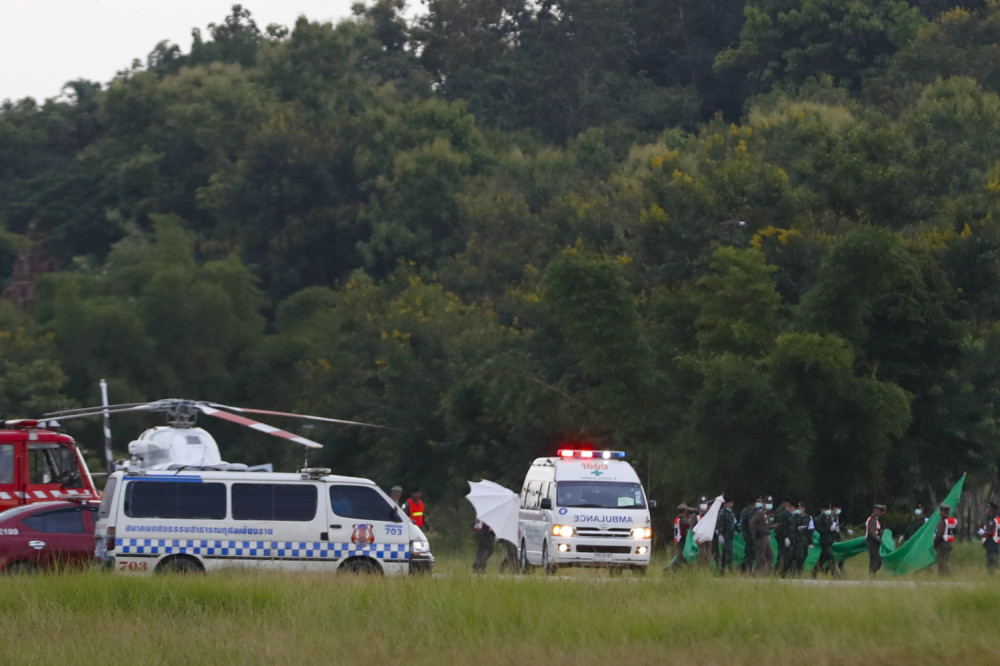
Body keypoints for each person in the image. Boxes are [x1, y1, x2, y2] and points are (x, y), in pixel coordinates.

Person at [750, 495, 774, 575]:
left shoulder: (767, 513)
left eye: (770, 503)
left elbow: (766, 525)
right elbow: (752, 522)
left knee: (770, 555)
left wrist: (772, 527)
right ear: (764, 504)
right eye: (768, 503)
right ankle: (757, 572)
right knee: (760, 555)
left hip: (766, 536)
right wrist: (755, 534)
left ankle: (765, 571)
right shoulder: (760, 512)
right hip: (760, 536)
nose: (769, 505)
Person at [773, 498, 795, 577]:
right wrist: (785, 537)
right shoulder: (784, 515)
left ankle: (784, 572)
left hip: (791, 538)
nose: (793, 509)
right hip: (784, 538)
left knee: (789, 556)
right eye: (792, 507)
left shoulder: (791, 515)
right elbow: (782, 527)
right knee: (783, 556)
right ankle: (780, 573)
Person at [934, 504, 957, 575]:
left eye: (941, 511)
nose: (940, 512)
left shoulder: (942, 521)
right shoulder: (953, 520)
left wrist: (935, 543)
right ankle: (947, 575)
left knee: (941, 562)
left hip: (942, 544)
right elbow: (956, 531)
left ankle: (945, 575)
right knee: (945, 560)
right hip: (950, 543)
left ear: (943, 511)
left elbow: (939, 534)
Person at [813, 503, 836, 577]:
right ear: (822, 510)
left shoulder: (830, 518)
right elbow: (819, 530)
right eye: (826, 509)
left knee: (822, 558)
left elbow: (833, 529)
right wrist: (829, 529)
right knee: (831, 556)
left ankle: (814, 572)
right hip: (824, 541)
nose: (828, 511)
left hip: (830, 541)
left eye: (829, 509)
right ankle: (834, 573)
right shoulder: (818, 519)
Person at [716, 497, 736, 574]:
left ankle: (722, 570)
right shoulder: (722, 513)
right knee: (728, 553)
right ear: (725, 504)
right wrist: (720, 534)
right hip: (725, 536)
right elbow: (720, 524)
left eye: (732, 503)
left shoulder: (731, 513)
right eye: (730, 503)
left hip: (730, 536)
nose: (731, 505)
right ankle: (730, 570)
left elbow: (734, 523)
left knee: (726, 553)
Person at [979, 502, 1000, 575]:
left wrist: (982, 532)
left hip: (991, 542)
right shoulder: (998, 519)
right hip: (996, 542)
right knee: (995, 559)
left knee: (991, 560)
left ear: (991, 510)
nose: (986, 511)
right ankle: (995, 573)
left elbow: (990, 532)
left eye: (988, 509)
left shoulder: (992, 520)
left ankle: (992, 574)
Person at [793, 502, 813, 575]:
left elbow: (811, 530)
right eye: (799, 508)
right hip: (797, 540)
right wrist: (797, 528)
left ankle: (799, 569)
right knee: (798, 556)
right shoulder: (795, 517)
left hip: (805, 540)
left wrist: (810, 542)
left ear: (804, 508)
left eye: (801, 508)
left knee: (804, 555)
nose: (800, 509)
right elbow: (791, 528)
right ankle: (797, 571)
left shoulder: (808, 517)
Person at [866, 503, 885, 575]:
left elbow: (877, 531)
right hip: (872, 542)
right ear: (876, 511)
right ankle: (871, 575)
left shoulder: (875, 519)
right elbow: (871, 531)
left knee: (876, 560)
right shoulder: (872, 519)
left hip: (874, 542)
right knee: (875, 560)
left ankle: (872, 574)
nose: (881, 513)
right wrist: (878, 540)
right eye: (881, 511)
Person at [739, 498, 757, 573]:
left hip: (750, 534)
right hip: (749, 534)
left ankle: (746, 569)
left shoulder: (749, 510)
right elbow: (750, 523)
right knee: (750, 553)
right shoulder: (748, 511)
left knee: (751, 553)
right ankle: (745, 569)